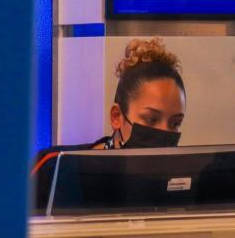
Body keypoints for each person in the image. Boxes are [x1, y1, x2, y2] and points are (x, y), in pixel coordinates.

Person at [31, 37, 186, 212]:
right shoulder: (55, 170)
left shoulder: (184, 181)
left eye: (175, 123)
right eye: (151, 119)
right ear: (117, 117)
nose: (164, 131)